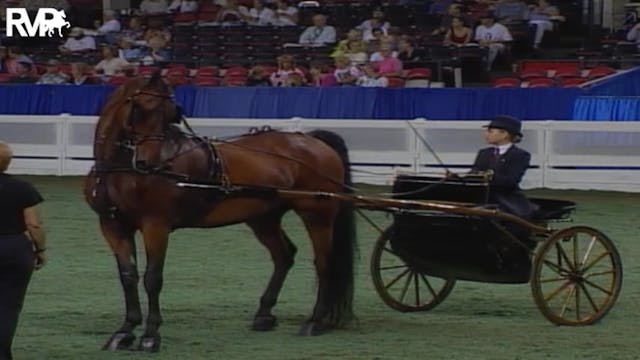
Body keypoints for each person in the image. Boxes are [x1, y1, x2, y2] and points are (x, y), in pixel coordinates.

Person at [0, 141, 47, 360]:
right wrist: (40, 250)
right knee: (8, 306)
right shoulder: (23, 189)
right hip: (14, 249)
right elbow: (33, 225)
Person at [469, 115, 534, 221]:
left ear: (505, 134)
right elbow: (474, 173)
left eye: (490, 131)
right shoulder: (484, 153)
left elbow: (511, 180)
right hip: (482, 197)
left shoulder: (520, 155)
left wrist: (488, 176)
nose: (486, 134)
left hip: (506, 199)